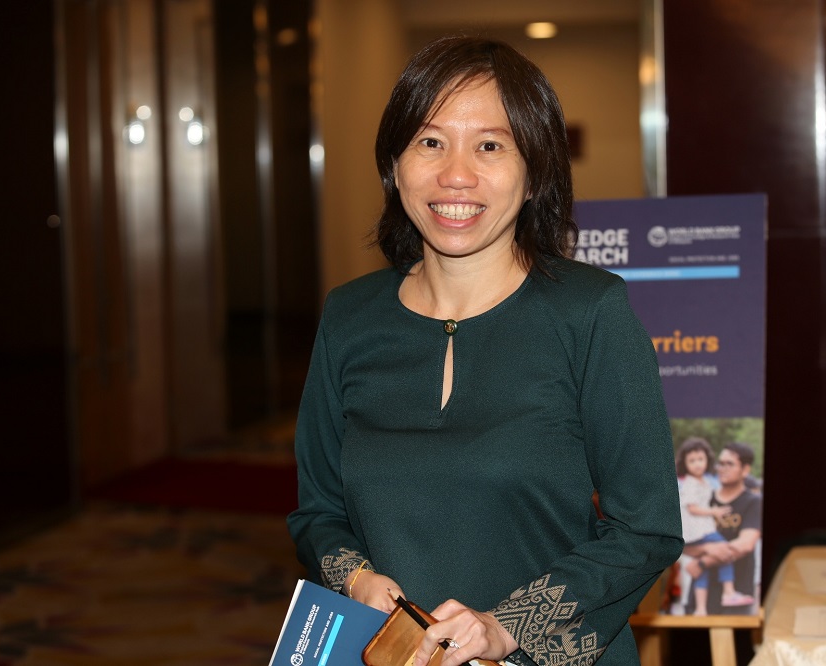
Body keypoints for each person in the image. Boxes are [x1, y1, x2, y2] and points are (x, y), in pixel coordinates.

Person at [286, 35, 683, 666]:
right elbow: (318, 511)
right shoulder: (349, 317)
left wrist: (505, 627)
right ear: (394, 164)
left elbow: (646, 529)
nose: (456, 175)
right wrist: (355, 578)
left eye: (490, 146)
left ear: (534, 172)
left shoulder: (590, 314)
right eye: (430, 142)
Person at [674, 437, 754, 615]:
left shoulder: (706, 482)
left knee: (703, 570)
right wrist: (714, 512)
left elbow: (746, 545)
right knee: (724, 548)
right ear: (684, 463)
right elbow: (692, 509)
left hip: (700, 531)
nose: (697, 464)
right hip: (699, 530)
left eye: (700, 459)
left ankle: (701, 608)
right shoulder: (691, 484)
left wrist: (701, 562)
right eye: (692, 461)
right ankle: (728, 591)